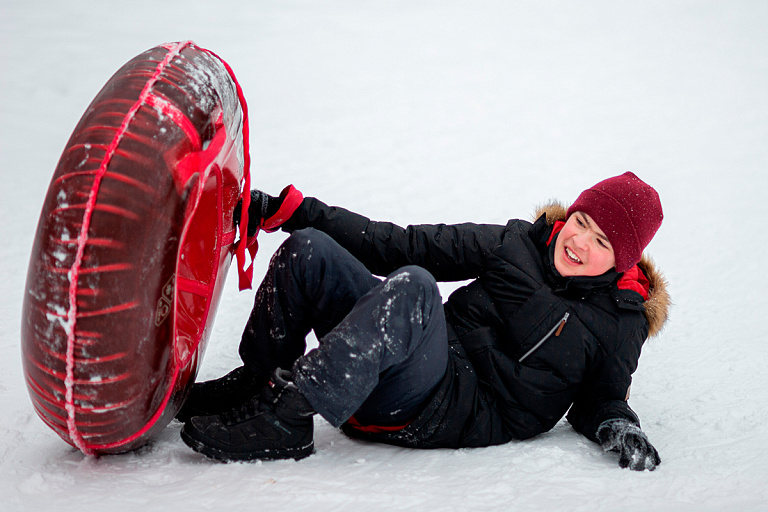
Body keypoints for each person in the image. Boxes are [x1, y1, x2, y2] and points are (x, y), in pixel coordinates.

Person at [178, 171, 669, 471]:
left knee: (415, 289)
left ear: (622, 260)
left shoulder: (620, 320)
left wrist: (619, 426)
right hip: (399, 362)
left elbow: (602, 396)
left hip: (443, 410)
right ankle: (257, 379)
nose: (580, 242)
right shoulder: (518, 243)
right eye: (582, 222)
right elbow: (403, 245)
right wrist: (294, 211)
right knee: (311, 251)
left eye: (602, 242)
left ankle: (289, 419)